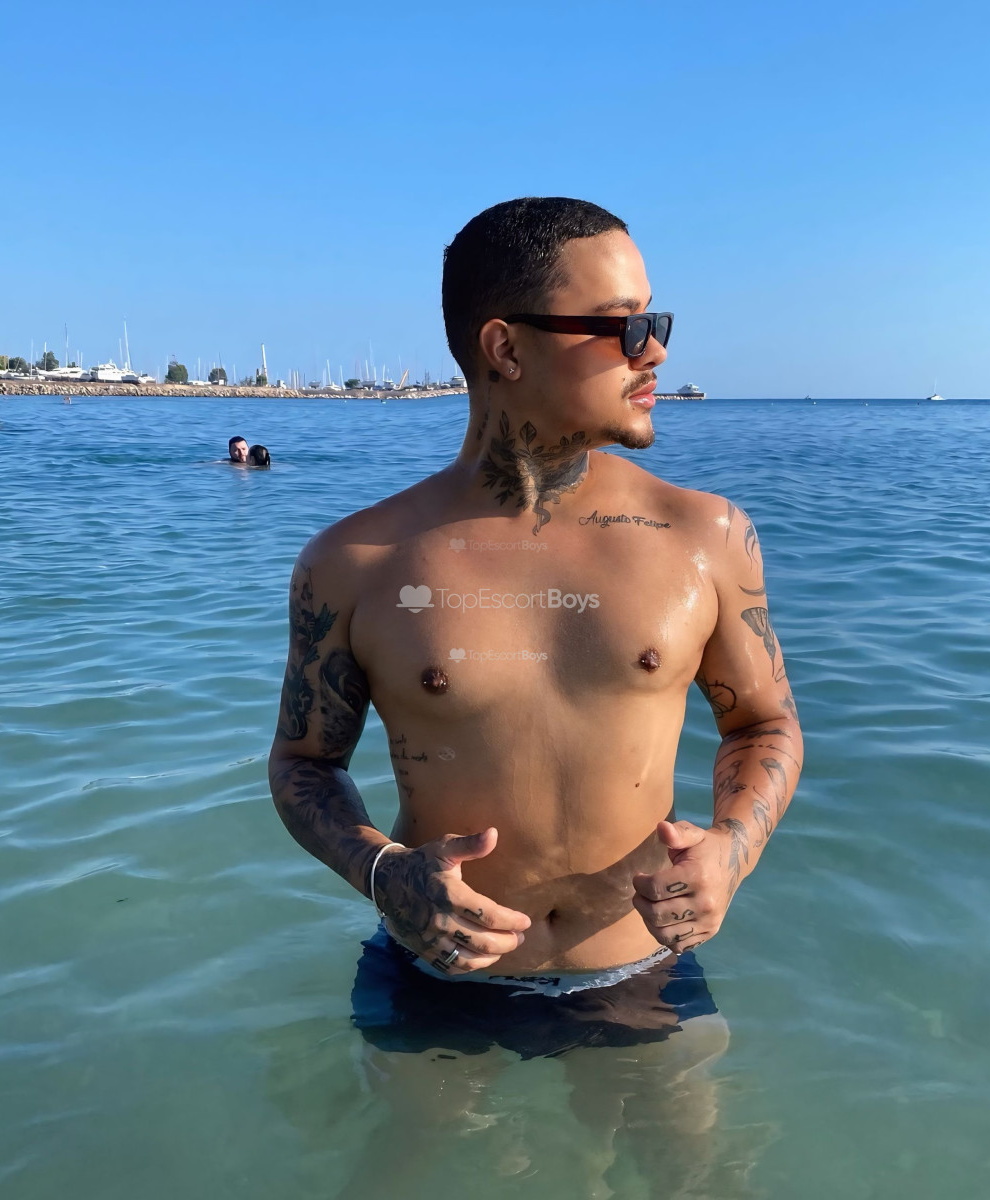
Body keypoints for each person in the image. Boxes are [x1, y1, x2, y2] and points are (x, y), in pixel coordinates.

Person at [267, 197, 803, 1181]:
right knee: (409, 1176)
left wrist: (734, 850)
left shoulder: (708, 538)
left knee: (694, 1180)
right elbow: (304, 764)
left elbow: (764, 724)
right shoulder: (355, 563)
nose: (655, 351)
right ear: (505, 347)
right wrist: (383, 874)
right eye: (623, 326)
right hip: (436, 974)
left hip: (640, 971)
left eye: (657, 321)